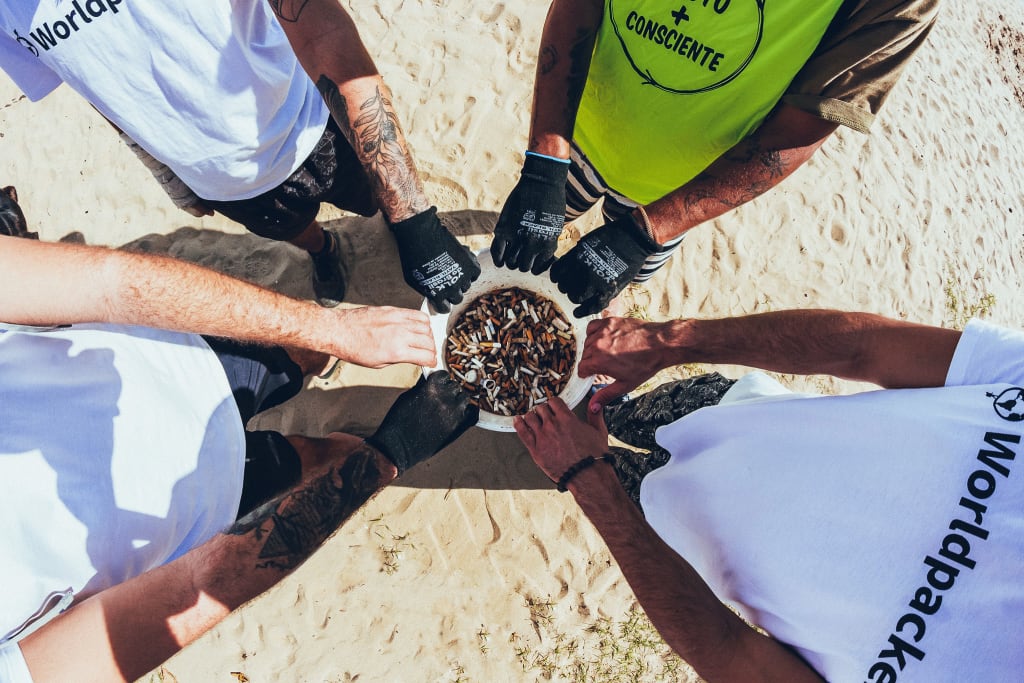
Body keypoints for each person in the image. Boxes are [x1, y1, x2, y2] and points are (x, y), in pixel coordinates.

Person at [0, 229, 479, 682]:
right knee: (312, 457)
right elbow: (194, 588)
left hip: (175, 355)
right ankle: (335, 441)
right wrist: (387, 452)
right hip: (208, 510)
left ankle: (321, 366)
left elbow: (111, 282)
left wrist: (333, 330)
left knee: (303, 353)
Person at [514, 310, 1023, 681]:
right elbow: (863, 348)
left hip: (663, 530)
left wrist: (588, 478)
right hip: (719, 408)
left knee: (556, 442)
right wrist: (667, 341)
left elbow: (733, 655)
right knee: (596, 405)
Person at [0, 0, 479, 311]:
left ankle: (392, 227)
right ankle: (326, 251)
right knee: (298, 234)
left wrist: (414, 222)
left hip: (312, 120)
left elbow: (323, 34)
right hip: (223, 181)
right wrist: (168, 175)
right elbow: (95, 82)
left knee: (374, 201)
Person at [491, 0, 941, 317]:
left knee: (615, 275)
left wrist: (646, 233)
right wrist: (545, 164)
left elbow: (805, 122)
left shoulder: (903, 4)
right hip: (579, 132)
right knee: (545, 215)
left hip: (677, 187)